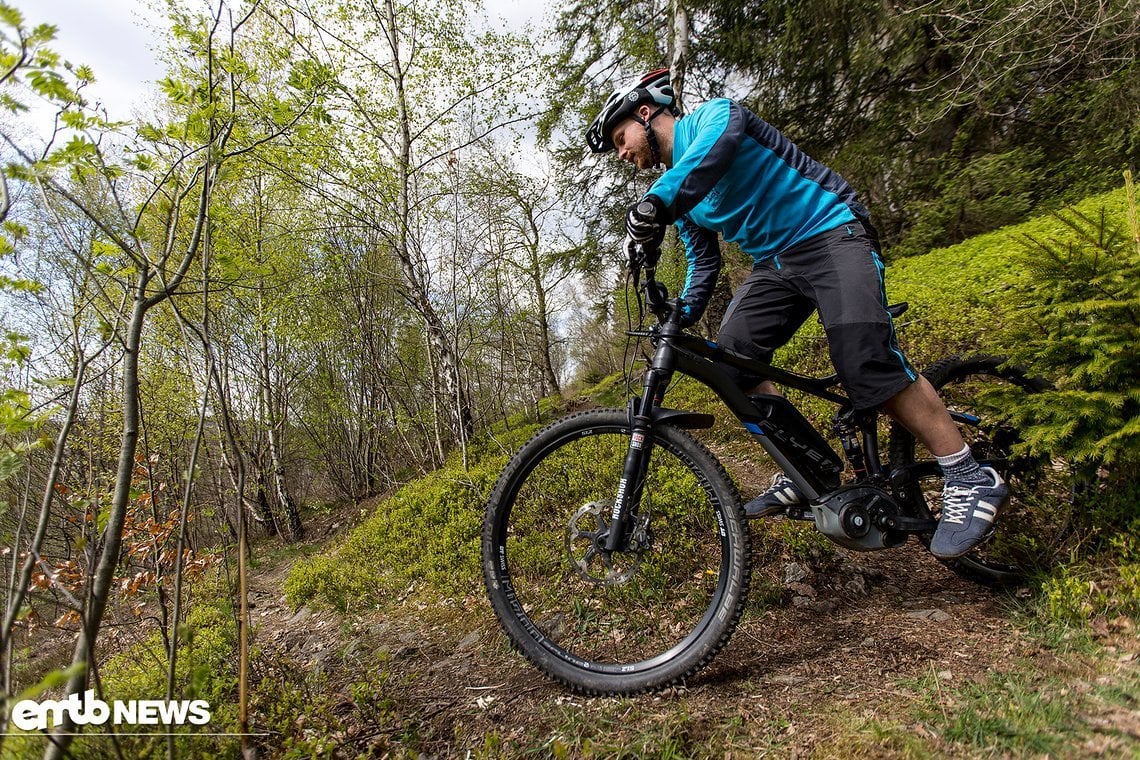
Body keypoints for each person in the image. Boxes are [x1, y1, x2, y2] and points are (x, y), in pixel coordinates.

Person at [586, 69, 1006, 560]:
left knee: (862, 358)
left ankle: (968, 473)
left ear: (645, 113)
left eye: (620, 139)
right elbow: (703, 264)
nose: (622, 153)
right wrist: (677, 309)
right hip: (777, 265)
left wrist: (657, 203)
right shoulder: (682, 196)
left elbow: (713, 151)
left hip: (831, 233)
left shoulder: (715, 118)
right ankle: (813, 468)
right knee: (732, 362)